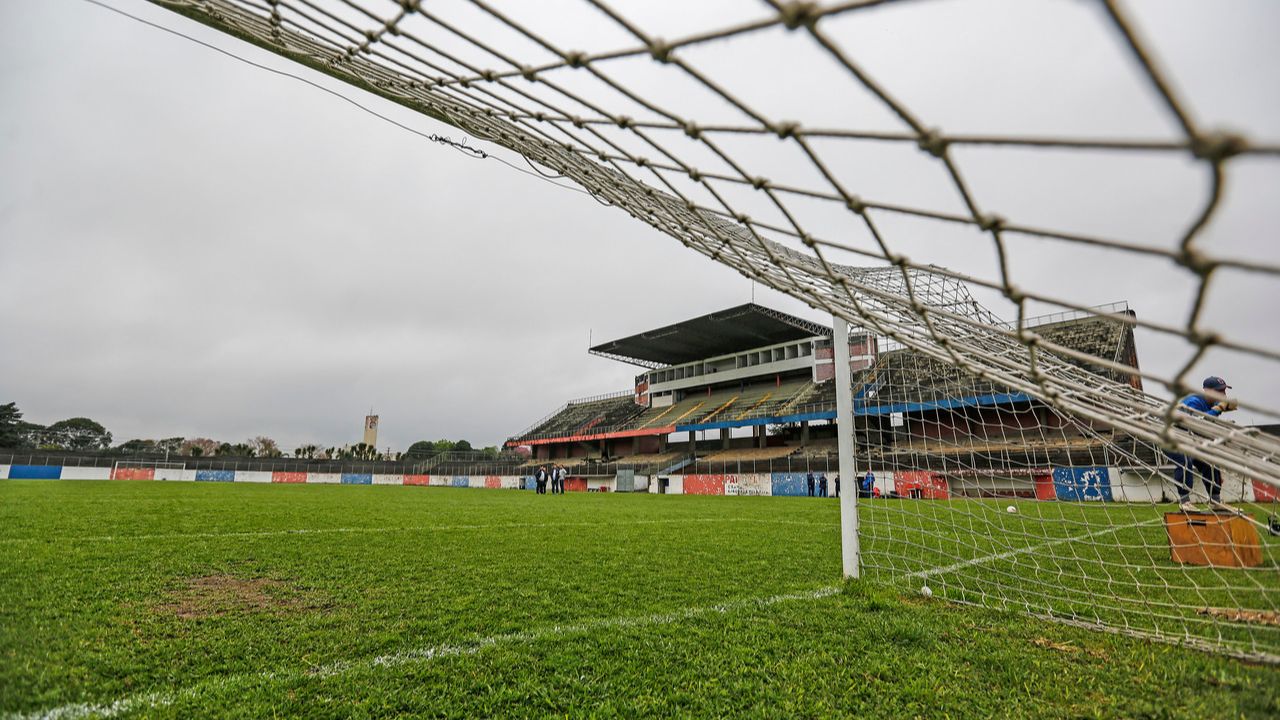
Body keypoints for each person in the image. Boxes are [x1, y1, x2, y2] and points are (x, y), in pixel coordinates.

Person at [1167, 376, 1235, 512]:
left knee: (1209, 461)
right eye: (1220, 391)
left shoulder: (1210, 405)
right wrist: (1218, 409)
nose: (1224, 395)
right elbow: (1196, 423)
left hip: (1189, 439)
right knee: (1184, 461)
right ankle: (1185, 502)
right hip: (1170, 436)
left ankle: (1215, 501)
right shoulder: (1194, 401)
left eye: (1224, 391)